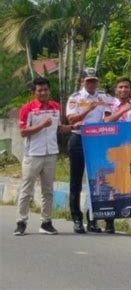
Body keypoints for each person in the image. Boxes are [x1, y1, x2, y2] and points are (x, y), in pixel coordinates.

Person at [14, 78, 74, 236]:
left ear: (49, 90)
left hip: (51, 154)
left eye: (46, 89)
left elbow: (59, 128)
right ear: (33, 92)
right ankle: (21, 222)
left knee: (48, 190)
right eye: (39, 90)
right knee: (27, 190)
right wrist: (41, 125)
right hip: (33, 154)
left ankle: (46, 222)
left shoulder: (55, 107)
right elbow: (23, 132)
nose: (43, 93)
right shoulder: (27, 109)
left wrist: (73, 127)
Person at [66, 67, 115, 234]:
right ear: (82, 82)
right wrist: (89, 109)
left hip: (98, 141)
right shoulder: (75, 98)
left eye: (94, 80)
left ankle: (93, 218)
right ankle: (77, 219)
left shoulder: (104, 97)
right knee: (76, 183)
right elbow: (72, 119)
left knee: (99, 182)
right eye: (88, 81)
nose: (92, 84)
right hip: (78, 139)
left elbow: (109, 116)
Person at [101, 77, 131, 233]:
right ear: (115, 90)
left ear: (130, 89)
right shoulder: (109, 105)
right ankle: (109, 222)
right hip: (114, 151)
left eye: (126, 87)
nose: (123, 90)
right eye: (120, 87)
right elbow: (106, 121)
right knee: (113, 187)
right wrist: (122, 110)